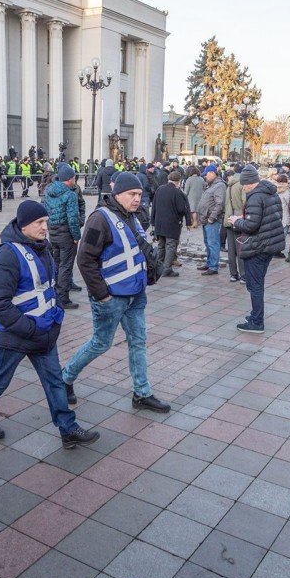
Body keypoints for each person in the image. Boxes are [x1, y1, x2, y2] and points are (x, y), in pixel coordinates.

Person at [0, 201, 99, 446]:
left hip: (44, 330)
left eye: (46, 222)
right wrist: (27, 328)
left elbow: (47, 288)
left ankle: (68, 428)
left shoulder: (44, 247)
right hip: (18, 333)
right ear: (24, 225)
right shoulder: (7, 254)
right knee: (0, 377)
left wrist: (56, 316)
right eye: (40, 223)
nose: (45, 227)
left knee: (54, 380)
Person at [62, 172, 171, 413]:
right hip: (111, 298)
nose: (137, 199)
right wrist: (102, 295)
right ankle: (65, 378)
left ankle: (142, 393)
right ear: (117, 193)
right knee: (100, 343)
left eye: (140, 195)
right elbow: (85, 259)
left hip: (136, 295)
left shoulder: (132, 216)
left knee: (138, 342)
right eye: (132, 194)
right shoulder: (99, 219)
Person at [229, 164, 284, 333]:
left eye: (244, 185)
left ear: (250, 183)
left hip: (258, 246)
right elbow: (274, 217)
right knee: (256, 283)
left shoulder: (255, 197)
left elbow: (252, 225)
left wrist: (236, 221)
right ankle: (255, 315)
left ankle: (257, 321)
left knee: (255, 285)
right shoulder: (271, 194)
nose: (243, 188)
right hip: (269, 244)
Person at [43, 163, 83, 307]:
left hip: (53, 232)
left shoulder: (48, 190)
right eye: (73, 178)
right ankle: (63, 298)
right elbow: (72, 218)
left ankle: (54, 291)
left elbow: (44, 210)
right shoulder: (70, 194)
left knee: (56, 263)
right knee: (66, 266)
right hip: (66, 234)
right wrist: (76, 236)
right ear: (69, 179)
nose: (74, 180)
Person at [151, 168, 191, 278]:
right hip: (172, 224)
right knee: (170, 246)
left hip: (159, 223)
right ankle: (167, 269)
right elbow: (182, 209)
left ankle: (158, 267)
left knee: (161, 246)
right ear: (179, 181)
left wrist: (153, 222)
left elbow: (153, 207)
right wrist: (188, 221)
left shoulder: (160, 189)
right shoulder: (177, 192)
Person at [197, 165, 226, 276]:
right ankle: (209, 263)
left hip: (212, 220)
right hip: (206, 219)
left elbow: (220, 204)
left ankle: (213, 266)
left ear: (213, 173)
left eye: (207, 174)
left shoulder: (219, 186)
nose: (205, 177)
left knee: (213, 243)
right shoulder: (210, 185)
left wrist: (211, 218)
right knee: (208, 243)